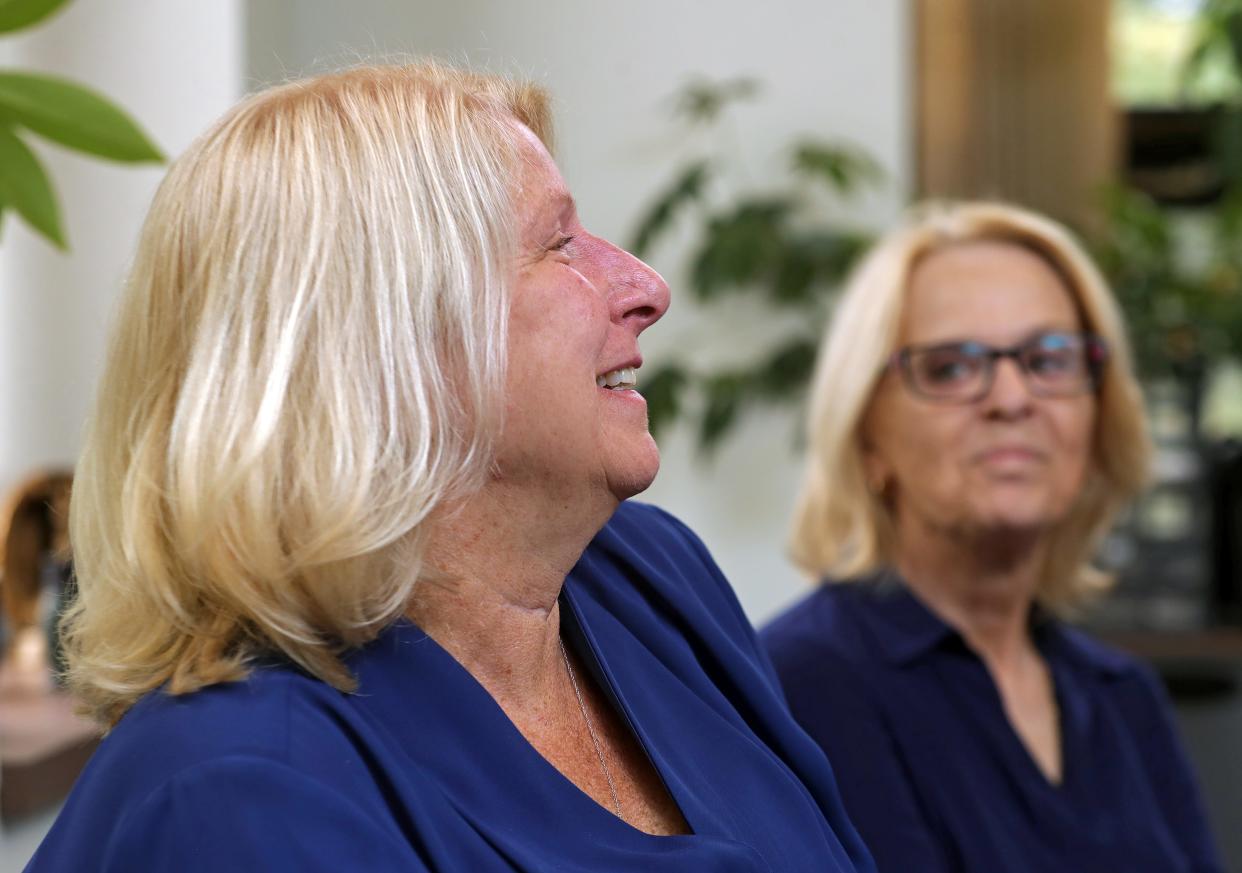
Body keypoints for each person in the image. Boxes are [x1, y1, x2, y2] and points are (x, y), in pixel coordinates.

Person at [25, 63, 874, 872]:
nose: (646, 286)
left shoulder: (648, 577)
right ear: (384, 344)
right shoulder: (236, 788)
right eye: (561, 243)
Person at [760, 201, 1225, 873]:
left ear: (1098, 417)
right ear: (867, 436)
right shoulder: (801, 685)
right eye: (950, 367)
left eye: (1050, 358)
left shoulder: (1124, 694)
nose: (1012, 397)